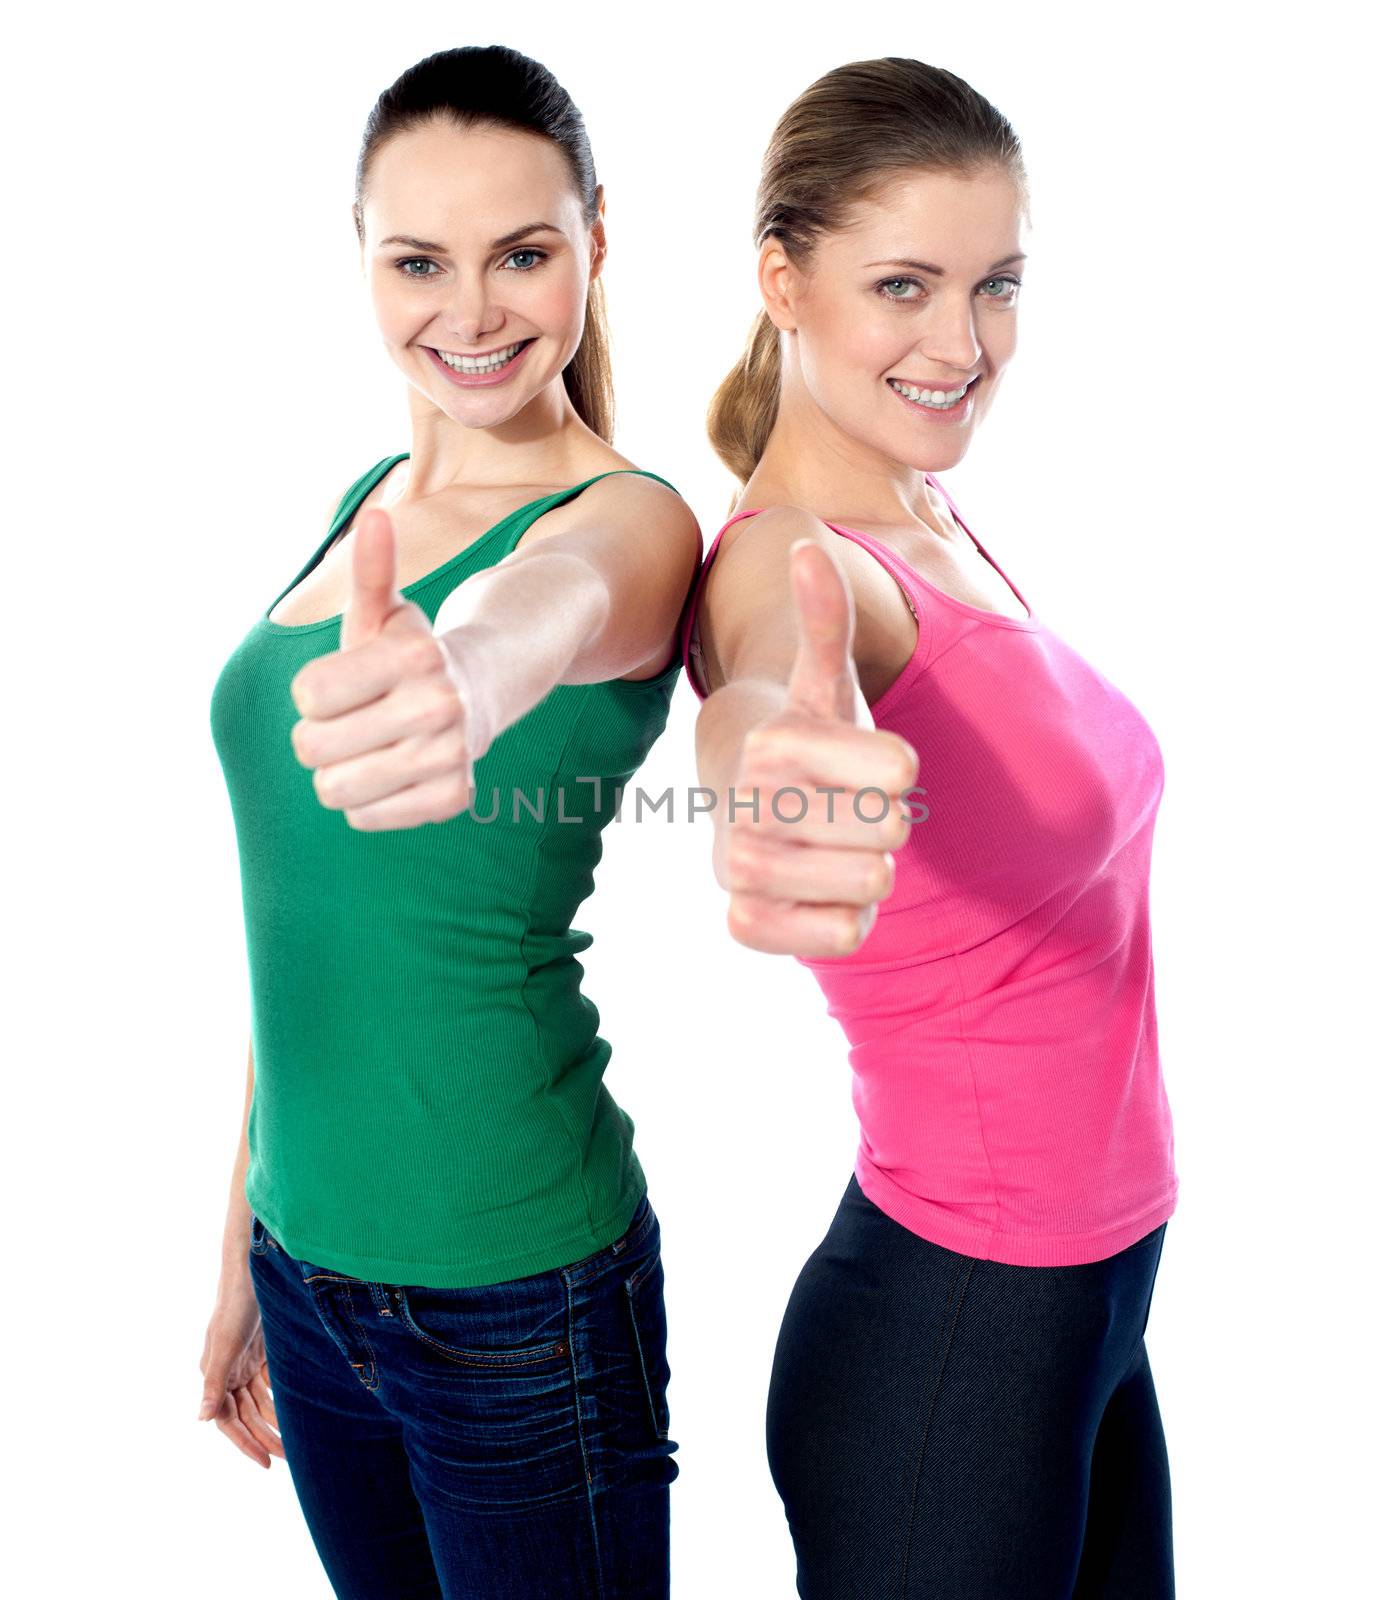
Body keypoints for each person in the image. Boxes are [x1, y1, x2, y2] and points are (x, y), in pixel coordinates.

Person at [200, 45, 700, 1600]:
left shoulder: (627, 519)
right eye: (419, 260)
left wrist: (473, 674)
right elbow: (311, 940)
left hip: (515, 1302)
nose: (470, 312)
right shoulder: (363, 506)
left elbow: (546, 611)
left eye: (523, 254)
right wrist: (241, 1245)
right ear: (362, 260)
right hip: (307, 1274)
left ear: (595, 245)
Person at [681, 57, 1178, 1599]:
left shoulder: (927, 513)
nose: (963, 344)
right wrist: (770, 775)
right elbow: (767, 686)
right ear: (783, 276)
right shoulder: (806, 569)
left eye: (995, 287)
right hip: (950, 1348)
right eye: (904, 285)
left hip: (1083, 1318)